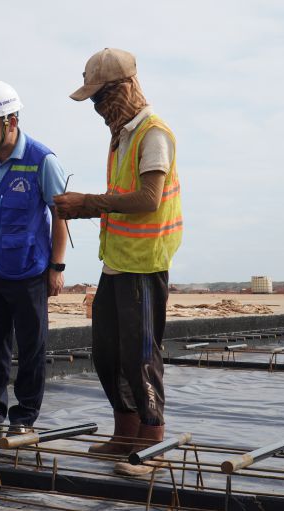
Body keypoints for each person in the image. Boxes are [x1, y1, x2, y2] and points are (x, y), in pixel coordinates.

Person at [55, 48, 183, 476]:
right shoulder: (122, 136)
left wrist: (87, 204)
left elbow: (148, 200)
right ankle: (124, 432)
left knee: (141, 355)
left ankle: (151, 442)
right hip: (116, 262)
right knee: (107, 353)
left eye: (100, 98)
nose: (97, 109)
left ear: (124, 89)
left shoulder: (153, 134)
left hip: (144, 265)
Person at [0, 80, 68, 434]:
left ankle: (25, 417)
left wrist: (57, 267)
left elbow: (60, 215)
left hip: (29, 271)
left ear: (10, 121)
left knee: (32, 349)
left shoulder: (42, 160)